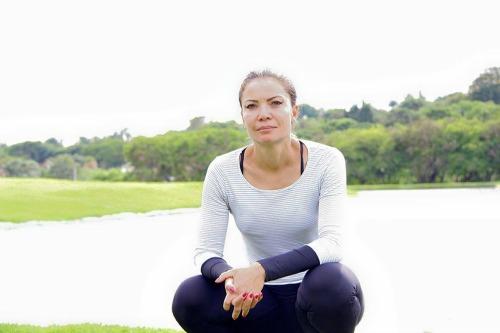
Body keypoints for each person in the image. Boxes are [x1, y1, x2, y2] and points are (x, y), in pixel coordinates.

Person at [172, 69, 364, 333]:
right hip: (257, 303)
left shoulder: (327, 160)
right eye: (251, 106)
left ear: (294, 111)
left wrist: (260, 270)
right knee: (190, 295)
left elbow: (333, 244)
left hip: (312, 300)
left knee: (332, 282)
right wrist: (233, 280)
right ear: (242, 116)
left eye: (275, 103)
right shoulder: (222, 170)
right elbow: (205, 252)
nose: (263, 113)